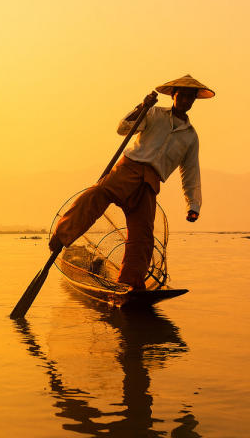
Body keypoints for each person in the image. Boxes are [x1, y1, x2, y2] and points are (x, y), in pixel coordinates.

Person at [49, 74, 214, 289]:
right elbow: (123, 129)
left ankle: (129, 283)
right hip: (128, 169)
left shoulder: (191, 136)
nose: (186, 101)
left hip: (150, 183)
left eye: (190, 97)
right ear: (174, 95)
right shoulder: (153, 113)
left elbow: (190, 172)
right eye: (182, 95)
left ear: (193, 101)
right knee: (96, 196)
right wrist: (140, 107)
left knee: (143, 238)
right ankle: (61, 237)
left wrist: (193, 205)